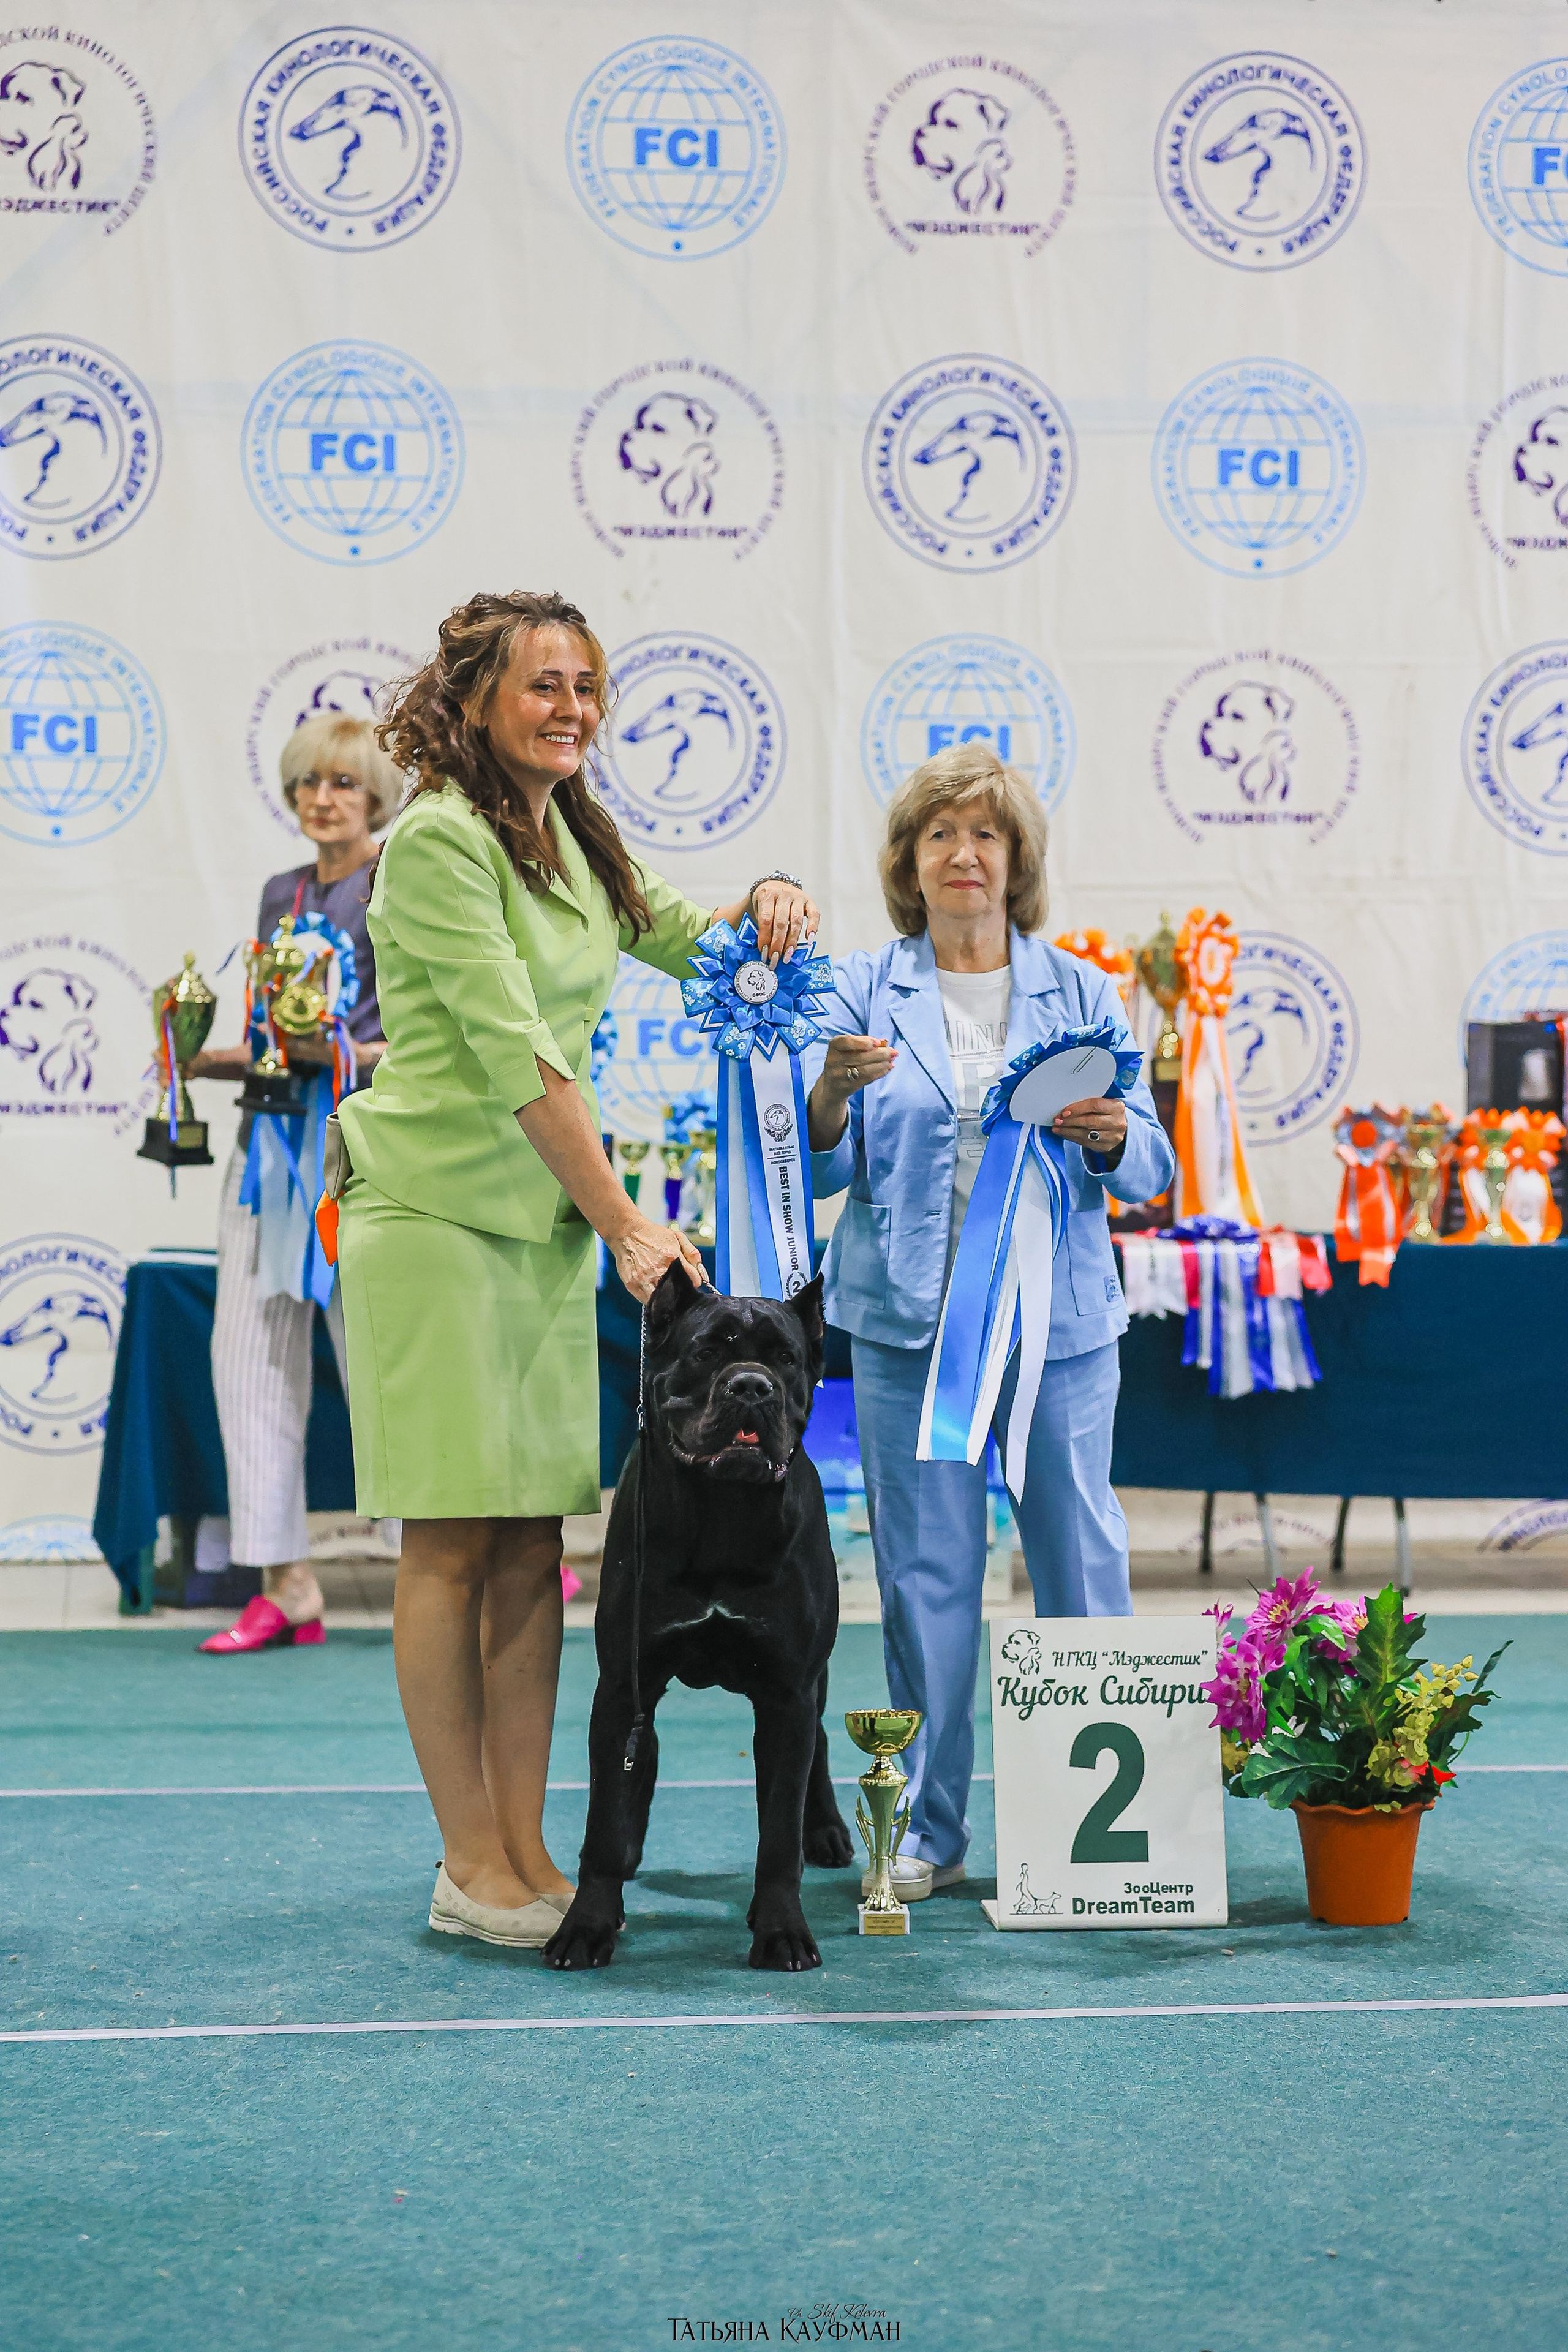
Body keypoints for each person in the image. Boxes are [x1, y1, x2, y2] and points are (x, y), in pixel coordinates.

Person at [334, 589, 819, 1950]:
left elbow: (691, 936)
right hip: (434, 1226)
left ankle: (527, 1847)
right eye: (543, 685)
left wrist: (767, 909)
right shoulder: (435, 842)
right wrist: (621, 1218)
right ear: (475, 698)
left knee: (530, 1549)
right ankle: (464, 1861)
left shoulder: (569, 837)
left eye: (587, 688)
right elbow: (517, 1059)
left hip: (538, 1238)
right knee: (451, 1544)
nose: (570, 710)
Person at [806, 743, 1175, 1901]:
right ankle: (926, 1826)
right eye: (939, 835)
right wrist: (826, 1096)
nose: (964, 854)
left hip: (1060, 1334)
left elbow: (1153, 1165)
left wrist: (1115, 1132)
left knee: (1081, 1560)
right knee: (927, 1582)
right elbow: (813, 1166)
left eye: (986, 835)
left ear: (1017, 863)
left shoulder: (1083, 991)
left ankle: (1097, 1840)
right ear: (908, 863)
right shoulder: (865, 988)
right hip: (908, 1335)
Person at [187, 713, 401, 1653]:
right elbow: (280, 1042)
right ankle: (285, 1578)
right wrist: (197, 1056)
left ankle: (446, 1559)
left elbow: (420, 1037)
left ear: (377, 798)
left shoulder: (400, 878)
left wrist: (342, 1052)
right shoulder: (281, 891)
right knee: (248, 1358)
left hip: (361, 1149)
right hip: (267, 1145)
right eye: (309, 784)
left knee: (384, 1363)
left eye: (344, 784)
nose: (324, 800)